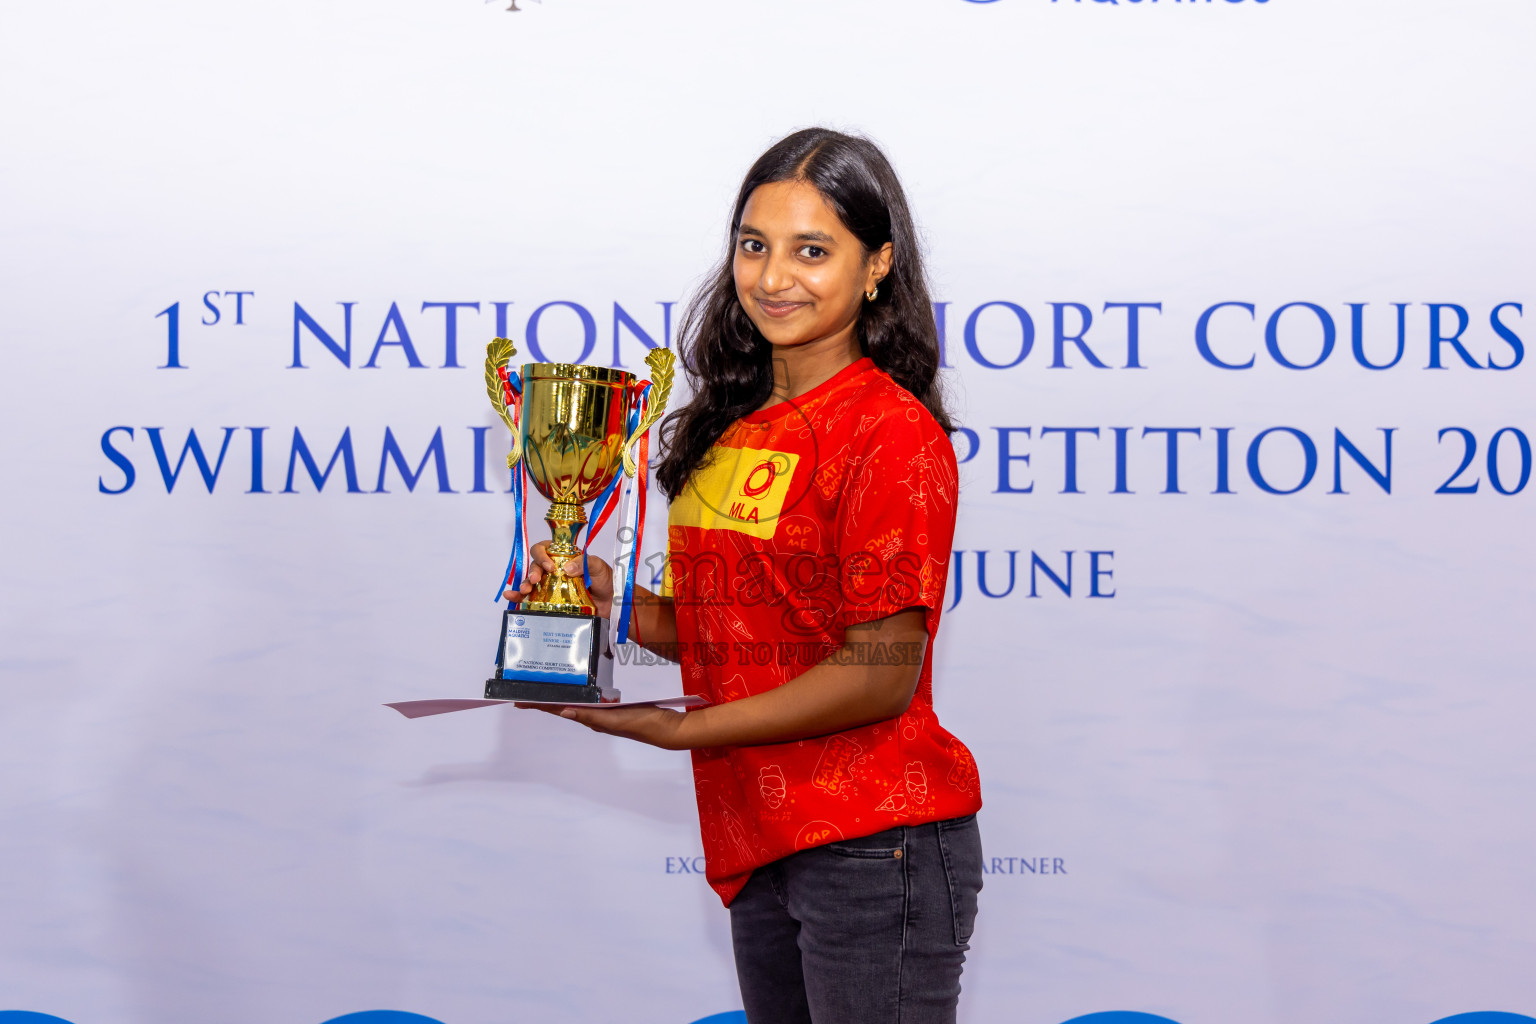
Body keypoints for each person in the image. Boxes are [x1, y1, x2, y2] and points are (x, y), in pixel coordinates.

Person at [508, 127, 983, 1024]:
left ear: (877, 265)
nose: (773, 277)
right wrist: (610, 611)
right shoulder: (728, 425)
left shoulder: (890, 430)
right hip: (760, 834)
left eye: (813, 250)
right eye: (754, 245)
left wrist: (688, 730)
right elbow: (732, 628)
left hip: (873, 840)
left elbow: (880, 674)